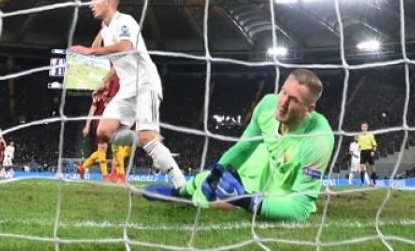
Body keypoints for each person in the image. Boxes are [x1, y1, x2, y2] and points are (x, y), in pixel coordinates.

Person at [142, 69, 334, 222]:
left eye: (293, 100)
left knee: (222, 202)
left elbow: (300, 208)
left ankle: (234, 197)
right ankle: (180, 192)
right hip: (266, 164)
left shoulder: (318, 139)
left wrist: (246, 202)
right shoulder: (268, 105)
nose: (282, 103)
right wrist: (216, 172)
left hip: (285, 188)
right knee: (207, 180)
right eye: (283, 92)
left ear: (309, 109)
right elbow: (243, 148)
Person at [69, 0, 185, 187]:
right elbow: (118, 61)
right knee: (104, 132)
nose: (91, 5)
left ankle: (180, 182)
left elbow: (125, 47)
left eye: (95, 0)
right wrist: (104, 82)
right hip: (127, 88)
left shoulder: (125, 21)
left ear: (108, 2)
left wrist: (90, 51)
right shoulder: (105, 30)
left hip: (145, 83)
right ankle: (147, 141)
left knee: (147, 135)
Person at [77, 67, 120, 182]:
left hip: (111, 123)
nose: (106, 85)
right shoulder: (99, 96)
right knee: (102, 149)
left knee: (113, 149)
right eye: (104, 83)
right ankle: (106, 177)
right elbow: (92, 110)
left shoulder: (113, 94)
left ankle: (82, 167)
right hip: (99, 123)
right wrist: (87, 125)